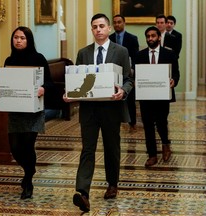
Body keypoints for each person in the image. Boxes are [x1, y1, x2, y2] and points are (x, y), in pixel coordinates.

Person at [63, 13, 133, 212]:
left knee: (112, 148)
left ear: (109, 28)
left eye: (102, 26)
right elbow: (78, 81)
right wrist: (70, 95)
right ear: (92, 30)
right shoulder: (83, 53)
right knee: (87, 149)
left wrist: (123, 90)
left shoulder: (121, 51)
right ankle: (82, 192)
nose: (98, 29)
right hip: (89, 110)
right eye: (95, 27)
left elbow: (128, 79)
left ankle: (112, 184)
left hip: (111, 108)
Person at [4, 26, 54, 199]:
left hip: (33, 112)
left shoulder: (38, 58)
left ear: (29, 40)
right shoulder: (9, 60)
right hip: (15, 111)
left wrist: (42, 88)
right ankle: (30, 169)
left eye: (22, 38)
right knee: (15, 148)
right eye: (16, 37)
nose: (18, 40)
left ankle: (28, 181)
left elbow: (50, 82)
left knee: (27, 145)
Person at [135, 26, 180, 167]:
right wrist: (136, 81)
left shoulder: (169, 54)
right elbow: (136, 74)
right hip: (146, 96)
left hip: (162, 95)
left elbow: (176, 73)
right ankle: (152, 155)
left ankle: (166, 144)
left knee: (161, 122)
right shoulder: (139, 55)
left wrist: (174, 80)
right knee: (147, 125)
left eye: (153, 36)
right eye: (148, 36)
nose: (150, 39)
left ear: (159, 37)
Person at [109, 14, 139, 131]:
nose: (117, 24)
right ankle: (115, 120)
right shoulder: (110, 38)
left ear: (124, 23)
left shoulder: (132, 38)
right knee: (114, 96)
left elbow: (135, 57)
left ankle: (132, 123)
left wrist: (133, 72)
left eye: (119, 22)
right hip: (113, 73)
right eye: (115, 22)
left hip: (128, 72)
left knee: (130, 99)